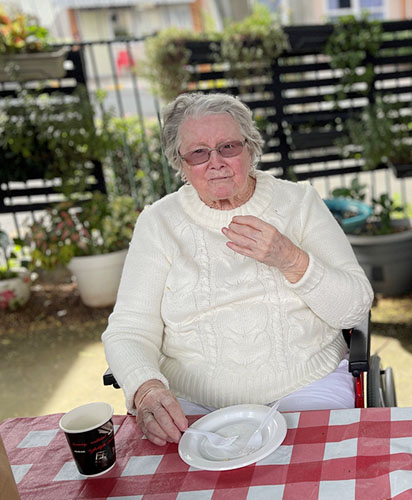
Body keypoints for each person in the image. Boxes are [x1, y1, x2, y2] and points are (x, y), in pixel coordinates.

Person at [102, 93, 373, 446]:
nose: (215, 162)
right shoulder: (159, 223)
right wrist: (146, 388)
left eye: (228, 146)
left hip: (307, 387)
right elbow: (128, 330)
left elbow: (355, 307)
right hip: (192, 403)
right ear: (180, 163)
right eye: (198, 153)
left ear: (250, 148)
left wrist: (291, 259)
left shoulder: (298, 202)